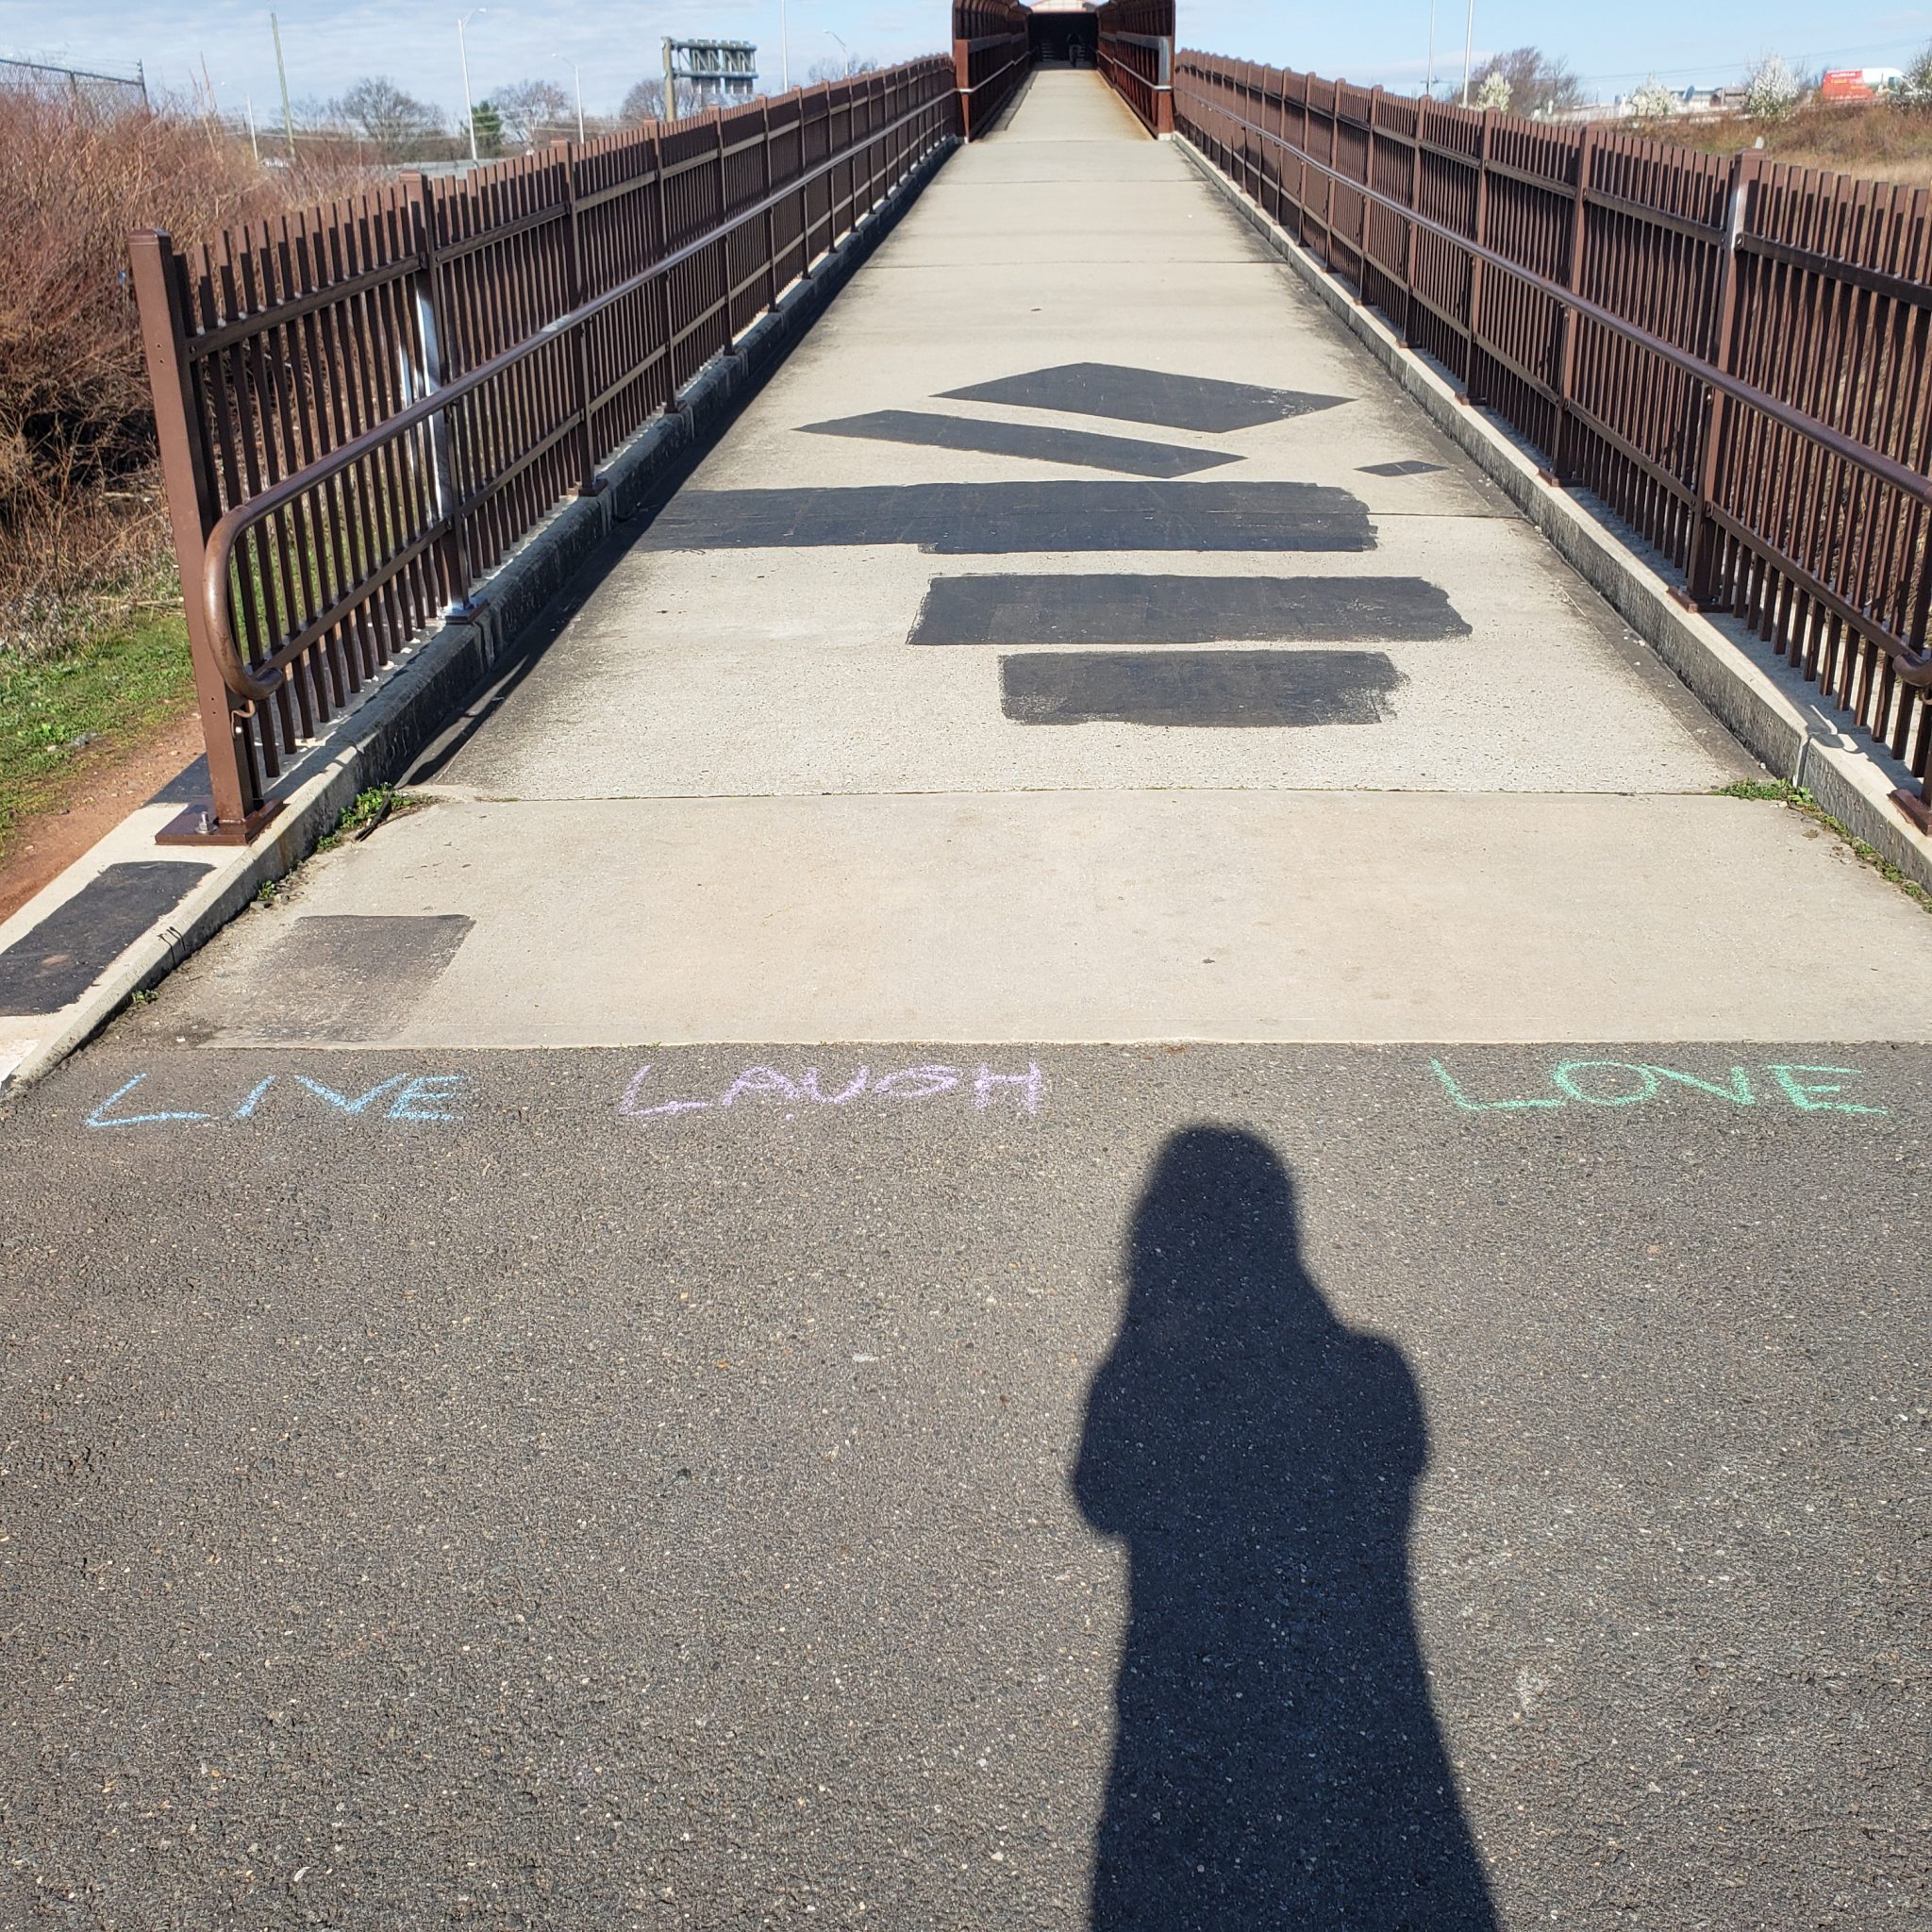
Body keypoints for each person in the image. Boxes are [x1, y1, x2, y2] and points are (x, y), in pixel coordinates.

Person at [1074, 1127, 1499, 1930]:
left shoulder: (1140, 1373)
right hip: (1358, 1694)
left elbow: (1100, 1502)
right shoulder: (1373, 1369)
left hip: (1179, 1690)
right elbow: (1399, 1457)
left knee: (1186, 1875)